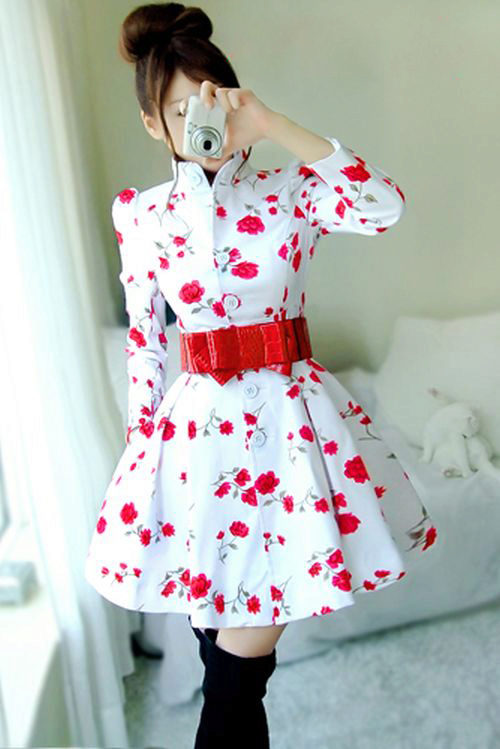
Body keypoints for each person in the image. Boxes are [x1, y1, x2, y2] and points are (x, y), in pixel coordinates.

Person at [84, 3, 439, 747]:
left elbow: (385, 206)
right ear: (152, 124)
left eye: (211, 99)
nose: (199, 119)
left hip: (289, 434)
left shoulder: (291, 190)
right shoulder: (141, 216)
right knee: (221, 655)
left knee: (234, 678)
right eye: (179, 109)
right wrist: (142, 459)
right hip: (194, 447)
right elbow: (146, 343)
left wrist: (273, 124)